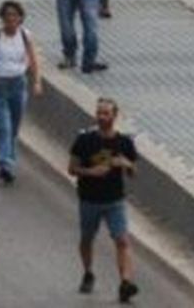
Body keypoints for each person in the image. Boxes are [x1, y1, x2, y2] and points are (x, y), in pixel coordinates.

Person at [68, 98, 140, 304]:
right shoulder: (84, 140)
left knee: (122, 240)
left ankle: (125, 283)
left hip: (114, 201)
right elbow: (72, 168)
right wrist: (91, 172)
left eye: (106, 114)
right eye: (99, 113)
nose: (101, 117)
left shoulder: (124, 142)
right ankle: (88, 272)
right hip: (89, 200)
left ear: (114, 116)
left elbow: (134, 172)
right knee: (87, 238)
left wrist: (126, 164)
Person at [0, 0, 43, 184]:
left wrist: (37, 81)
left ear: (20, 18)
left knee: (14, 127)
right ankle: (5, 164)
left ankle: (10, 159)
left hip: (18, 84)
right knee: (4, 127)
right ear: (2, 17)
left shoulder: (25, 35)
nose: (11, 19)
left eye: (15, 15)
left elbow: (33, 59)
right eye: (7, 15)